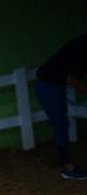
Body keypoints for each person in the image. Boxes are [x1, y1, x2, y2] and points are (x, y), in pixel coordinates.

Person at [35, 33, 87, 180]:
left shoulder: (80, 43)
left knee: (61, 124)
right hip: (50, 86)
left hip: (49, 84)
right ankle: (68, 167)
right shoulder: (82, 48)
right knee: (61, 125)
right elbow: (70, 78)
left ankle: (68, 165)